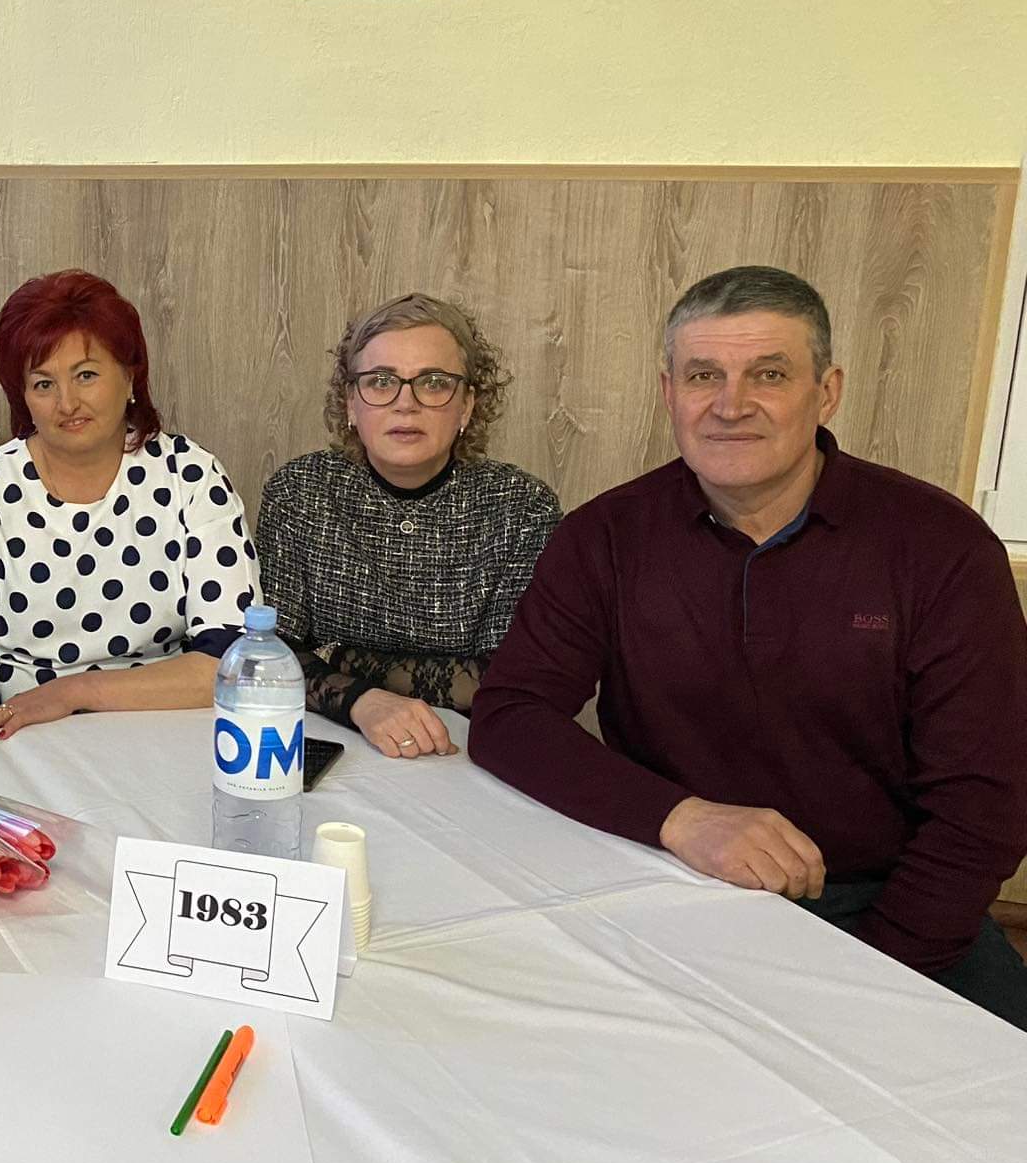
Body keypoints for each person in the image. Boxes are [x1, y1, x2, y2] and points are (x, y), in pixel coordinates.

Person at [471, 265, 1027, 1029]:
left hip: (890, 907)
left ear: (826, 392)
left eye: (769, 374)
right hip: (670, 880)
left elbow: (985, 806)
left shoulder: (942, 548)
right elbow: (510, 716)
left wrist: (871, 979)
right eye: (704, 375)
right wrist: (681, 818)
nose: (731, 405)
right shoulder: (605, 536)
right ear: (669, 392)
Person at [0, 270, 260, 738]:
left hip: (168, 731)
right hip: (20, 741)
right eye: (43, 384)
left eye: (86, 375)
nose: (67, 403)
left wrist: (74, 692)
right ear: (23, 396)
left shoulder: (190, 476)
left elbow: (231, 662)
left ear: (129, 376)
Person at [256, 294, 559, 759]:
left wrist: (333, 658)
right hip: (323, 738)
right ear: (351, 403)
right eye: (380, 381)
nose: (406, 403)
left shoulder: (521, 508)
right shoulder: (301, 491)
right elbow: (270, 653)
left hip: (463, 752)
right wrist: (362, 701)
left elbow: (506, 679)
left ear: (467, 405)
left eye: (434, 383)